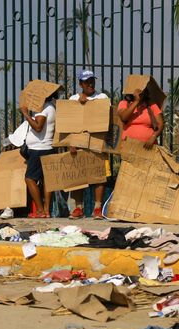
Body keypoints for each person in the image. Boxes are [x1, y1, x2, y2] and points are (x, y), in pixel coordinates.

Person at [68, 70, 109, 220]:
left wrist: (88, 104)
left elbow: (105, 114)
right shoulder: (73, 98)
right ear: (80, 84)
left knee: (99, 175)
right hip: (78, 142)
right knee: (78, 175)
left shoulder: (102, 97)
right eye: (86, 82)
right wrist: (71, 143)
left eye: (92, 80)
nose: (90, 84)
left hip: (97, 141)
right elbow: (69, 120)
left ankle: (97, 208)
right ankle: (79, 207)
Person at [19, 92, 57, 218]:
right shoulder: (51, 106)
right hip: (48, 148)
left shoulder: (43, 108)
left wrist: (25, 114)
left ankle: (40, 210)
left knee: (29, 178)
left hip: (38, 149)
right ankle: (46, 211)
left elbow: (38, 127)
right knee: (46, 180)